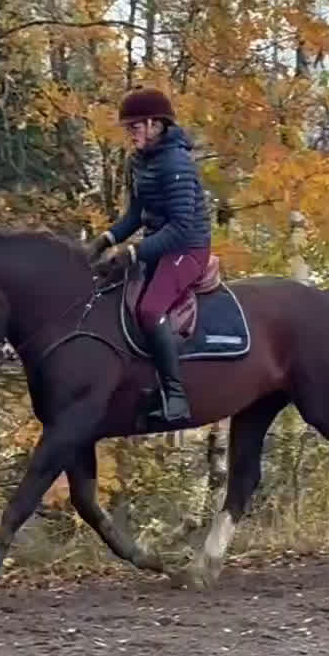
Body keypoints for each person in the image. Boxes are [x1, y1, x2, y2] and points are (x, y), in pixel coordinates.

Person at [89, 87, 212, 427]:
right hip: (159, 246)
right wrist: (104, 241)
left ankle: (175, 397)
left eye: (135, 127)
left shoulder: (177, 165)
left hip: (187, 249)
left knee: (149, 309)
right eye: (128, 128)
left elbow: (181, 227)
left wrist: (132, 252)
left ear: (156, 124)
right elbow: (135, 215)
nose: (131, 134)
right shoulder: (139, 162)